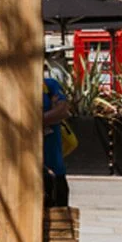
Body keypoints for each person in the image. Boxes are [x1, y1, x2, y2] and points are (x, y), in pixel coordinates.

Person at [43, 67, 73, 211]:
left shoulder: (49, 85)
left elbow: (63, 110)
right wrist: (51, 115)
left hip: (55, 169)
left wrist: (35, 120)